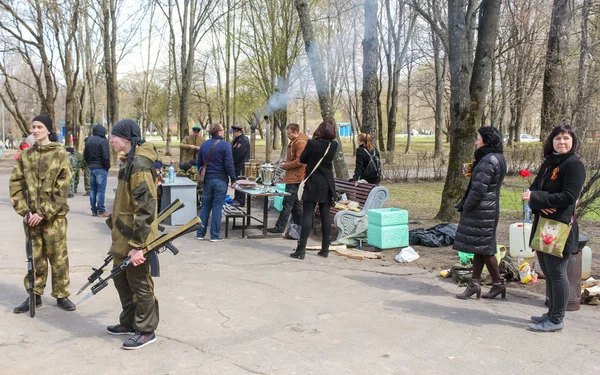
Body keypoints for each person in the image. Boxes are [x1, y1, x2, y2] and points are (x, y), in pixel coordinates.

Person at [9, 114, 76, 313]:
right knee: (34, 256)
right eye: (33, 127)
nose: (35, 130)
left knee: (58, 257)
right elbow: (16, 184)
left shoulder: (59, 153)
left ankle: (62, 294)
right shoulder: (26, 156)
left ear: (48, 130)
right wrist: (25, 211)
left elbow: (63, 187)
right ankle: (34, 294)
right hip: (31, 219)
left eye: (39, 127)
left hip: (54, 218)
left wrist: (44, 212)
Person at [523, 124, 585, 333]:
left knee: (558, 273)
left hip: (559, 227)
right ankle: (551, 312)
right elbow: (532, 190)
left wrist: (539, 199)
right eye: (558, 138)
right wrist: (538, 201)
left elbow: (569, 196)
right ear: (552, 142)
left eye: (566, 138)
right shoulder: (550, 162)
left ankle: (557, 319)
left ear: (573, 142)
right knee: (548, 271)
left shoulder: (574, 165)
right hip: (543, 224)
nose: (562, 142)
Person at [106, 119, 160, 350]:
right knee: (121, 279)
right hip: (123, 236)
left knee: (139, 283)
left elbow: (146, 206)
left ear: (126, 139)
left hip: (137, 238)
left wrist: (138, 245)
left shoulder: (138, 164)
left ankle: (146, 330)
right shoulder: (128, 161)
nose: (111, 140)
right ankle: (129, 322)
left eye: (114, 136)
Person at [453, 126, 507, 300]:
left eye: (478, 138)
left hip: (482, 210)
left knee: (486, 248)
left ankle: (496, 283)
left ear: (486, 140)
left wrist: (466, 206)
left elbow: (479, 190)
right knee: (480, 247)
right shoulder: (494, 157)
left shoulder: (489, 160)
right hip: (487, 208)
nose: (476, 141)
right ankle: (475, 284)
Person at [290, 120, 338, 260]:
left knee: (308, 215)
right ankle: (325, 249)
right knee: (325, 216)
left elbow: (303, 159)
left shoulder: (312, 143)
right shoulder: (333, 145)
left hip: (313, 183)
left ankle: (301, 249)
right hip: (327, 184)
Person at [195, 123, 237, 242]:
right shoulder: (225, 145)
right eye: (223, 130)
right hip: (221, 180)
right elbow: (229, 164)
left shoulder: (204, 145)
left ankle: (200, 233)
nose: (224, 131)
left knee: (205, 206)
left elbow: (199, 163)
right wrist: (233, 179)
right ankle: (214, 235)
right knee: (217, 207)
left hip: (207, 180)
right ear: (219, 132)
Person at [267, 123, 308, 234]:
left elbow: (300, 161)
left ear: (295, 132)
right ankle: (301, 227)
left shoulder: (301, 143)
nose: (288, 135)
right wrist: (286, 163)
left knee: (287, 203)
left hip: (296, 177)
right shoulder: (294, 142)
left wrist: (286, 165)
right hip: (292, 176)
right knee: (295, 205)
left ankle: (280, 227)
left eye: (289, 133)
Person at [84, 124, 111, 217]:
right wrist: (107, 166)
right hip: (101, 167)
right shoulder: (103, 141)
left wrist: (89, 164)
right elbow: (105, 156)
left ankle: (93, 210)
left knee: (93, 190)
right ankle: (101, 210)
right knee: (100, 190)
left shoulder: (88, 141)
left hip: (91, 168)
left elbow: (85, 155)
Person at [231, 125, 250, 206]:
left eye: (234, 132)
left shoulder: (242, 140)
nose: (233, 134)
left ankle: (240, 200)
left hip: (241, 164)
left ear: (237, 132)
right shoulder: (237, 140)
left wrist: (234, 161)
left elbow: (240, 154)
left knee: (240, 181)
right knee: (237, 182)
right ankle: (237, 198)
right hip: (237, 164)